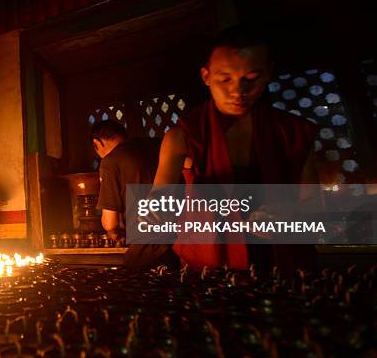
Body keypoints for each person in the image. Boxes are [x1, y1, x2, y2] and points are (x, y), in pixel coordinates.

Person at [153, 25, 318, 271]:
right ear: (206, 77)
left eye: (251, 79)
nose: (238, 92)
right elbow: (159, 198)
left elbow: (313, 205)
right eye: (224, 79)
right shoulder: (185, 136)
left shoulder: (293, 132)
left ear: (268, 73)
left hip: (285, 262)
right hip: (209, 265)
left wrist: (288, 214)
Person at [91, 120, 177, 268]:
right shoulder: (156, 147)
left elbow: (111, 223)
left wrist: (114, 233)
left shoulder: (110, 162)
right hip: (180, 242)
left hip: (149, 249)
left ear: (97, 143)